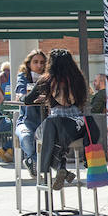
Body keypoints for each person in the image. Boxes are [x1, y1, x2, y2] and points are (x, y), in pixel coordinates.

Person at [23, 49, 89, 188]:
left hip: (56, 123)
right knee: (56, 142)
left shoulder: (47, 79)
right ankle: (61, 168)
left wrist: (46, 97)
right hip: (77, 126)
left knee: (41, 136)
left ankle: (59, 167)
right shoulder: (79, 78)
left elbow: (27, 100)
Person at [13, 50, 47, 177]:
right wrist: (23, 95)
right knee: (27, 139)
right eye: (35, 62)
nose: (39, 65)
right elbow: (20, 93)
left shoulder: (48, 76)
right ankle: (34, 161)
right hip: (26, 120)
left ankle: (31, 161)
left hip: (45, 120)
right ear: (29, 64)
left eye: (42, 62)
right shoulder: (23, 76)